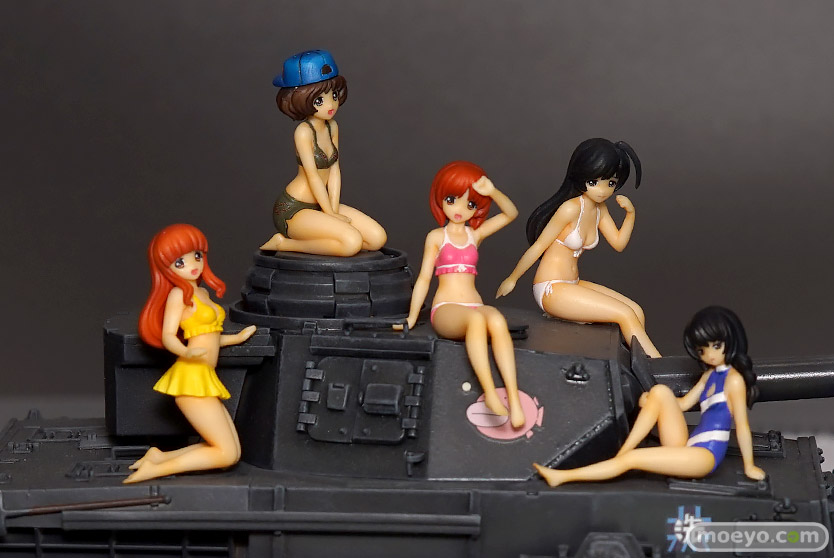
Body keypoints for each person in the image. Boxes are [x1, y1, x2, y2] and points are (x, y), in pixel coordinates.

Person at [533, 306, 765, 487]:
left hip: (705, 456)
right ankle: (625, 450)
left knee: (633, 460)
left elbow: (742, 426)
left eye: (716, 346)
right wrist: (652, 399)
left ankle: (564, 477)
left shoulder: (734, 381)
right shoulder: (709, 376)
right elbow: (683, 404)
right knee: (660, 391)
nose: (710, 355)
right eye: (703, 350)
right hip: (688, 445)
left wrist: (749, 466)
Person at [496, 138, 660, 357]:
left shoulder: (600, 209)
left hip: (572, 284)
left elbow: (618, 243)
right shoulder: (570, 209)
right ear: (582, 176)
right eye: (594, 182)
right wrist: (513, 278)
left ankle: (632, 367)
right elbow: (539, 246)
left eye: (611, 183)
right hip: (551, 288)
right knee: (625, 314)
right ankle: (658, 369)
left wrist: (630, 214)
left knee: (636, 311)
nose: (602, 190)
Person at [397, 161, 525, 427]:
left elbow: (511, 214)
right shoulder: (436, 237)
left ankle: (514, 399)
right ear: (441, 199)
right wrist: (411, 317)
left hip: (474, 305)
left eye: (470, 204)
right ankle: (490, 394)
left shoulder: (474, 235)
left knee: (497, 319)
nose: (459, 209)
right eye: (452, 200)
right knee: (476, 321)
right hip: (446, 309)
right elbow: (424, 279)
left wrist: (493, 191)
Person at [125, 223, 256, 483]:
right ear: (166, 268)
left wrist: (237, 338)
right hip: (191, 378)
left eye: (196, 255)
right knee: (226, 454)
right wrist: (186, 352)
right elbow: (168, 336)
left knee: (233, 451)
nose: (192, 265)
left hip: (203, 377)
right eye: (180, 262)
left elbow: (209, 337)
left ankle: (158, 458)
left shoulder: (202, 293)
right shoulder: (178, 295)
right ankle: (156, 470)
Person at [260, 50, 386, 256]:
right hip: (294, 210)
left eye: (333, 96)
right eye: (319, 100)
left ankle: (327, 226)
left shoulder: (331, 126)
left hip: (322, 204)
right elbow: (313, 176)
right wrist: (330, 214)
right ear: (301, 99)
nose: (330, 105)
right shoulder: (303, 132)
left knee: (376, 239)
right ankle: (283, 244)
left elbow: (334, 170)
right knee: (351, 243)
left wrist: (332, 210)